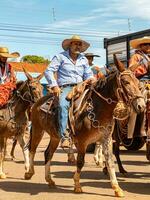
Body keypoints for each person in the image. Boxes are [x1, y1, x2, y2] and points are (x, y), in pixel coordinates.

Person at [44, 35, 95, 148]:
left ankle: (99, 131)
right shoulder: (60, 57)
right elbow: (48, 71)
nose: (78, 46)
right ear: (70, 45)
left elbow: (89, 74)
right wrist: (54, 86)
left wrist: (91, 79)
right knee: (63, 105)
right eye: (76, 43)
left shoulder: (83, 59)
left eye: (80, 44)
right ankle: (65, 136)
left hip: (82, 87)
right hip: (66, 88)